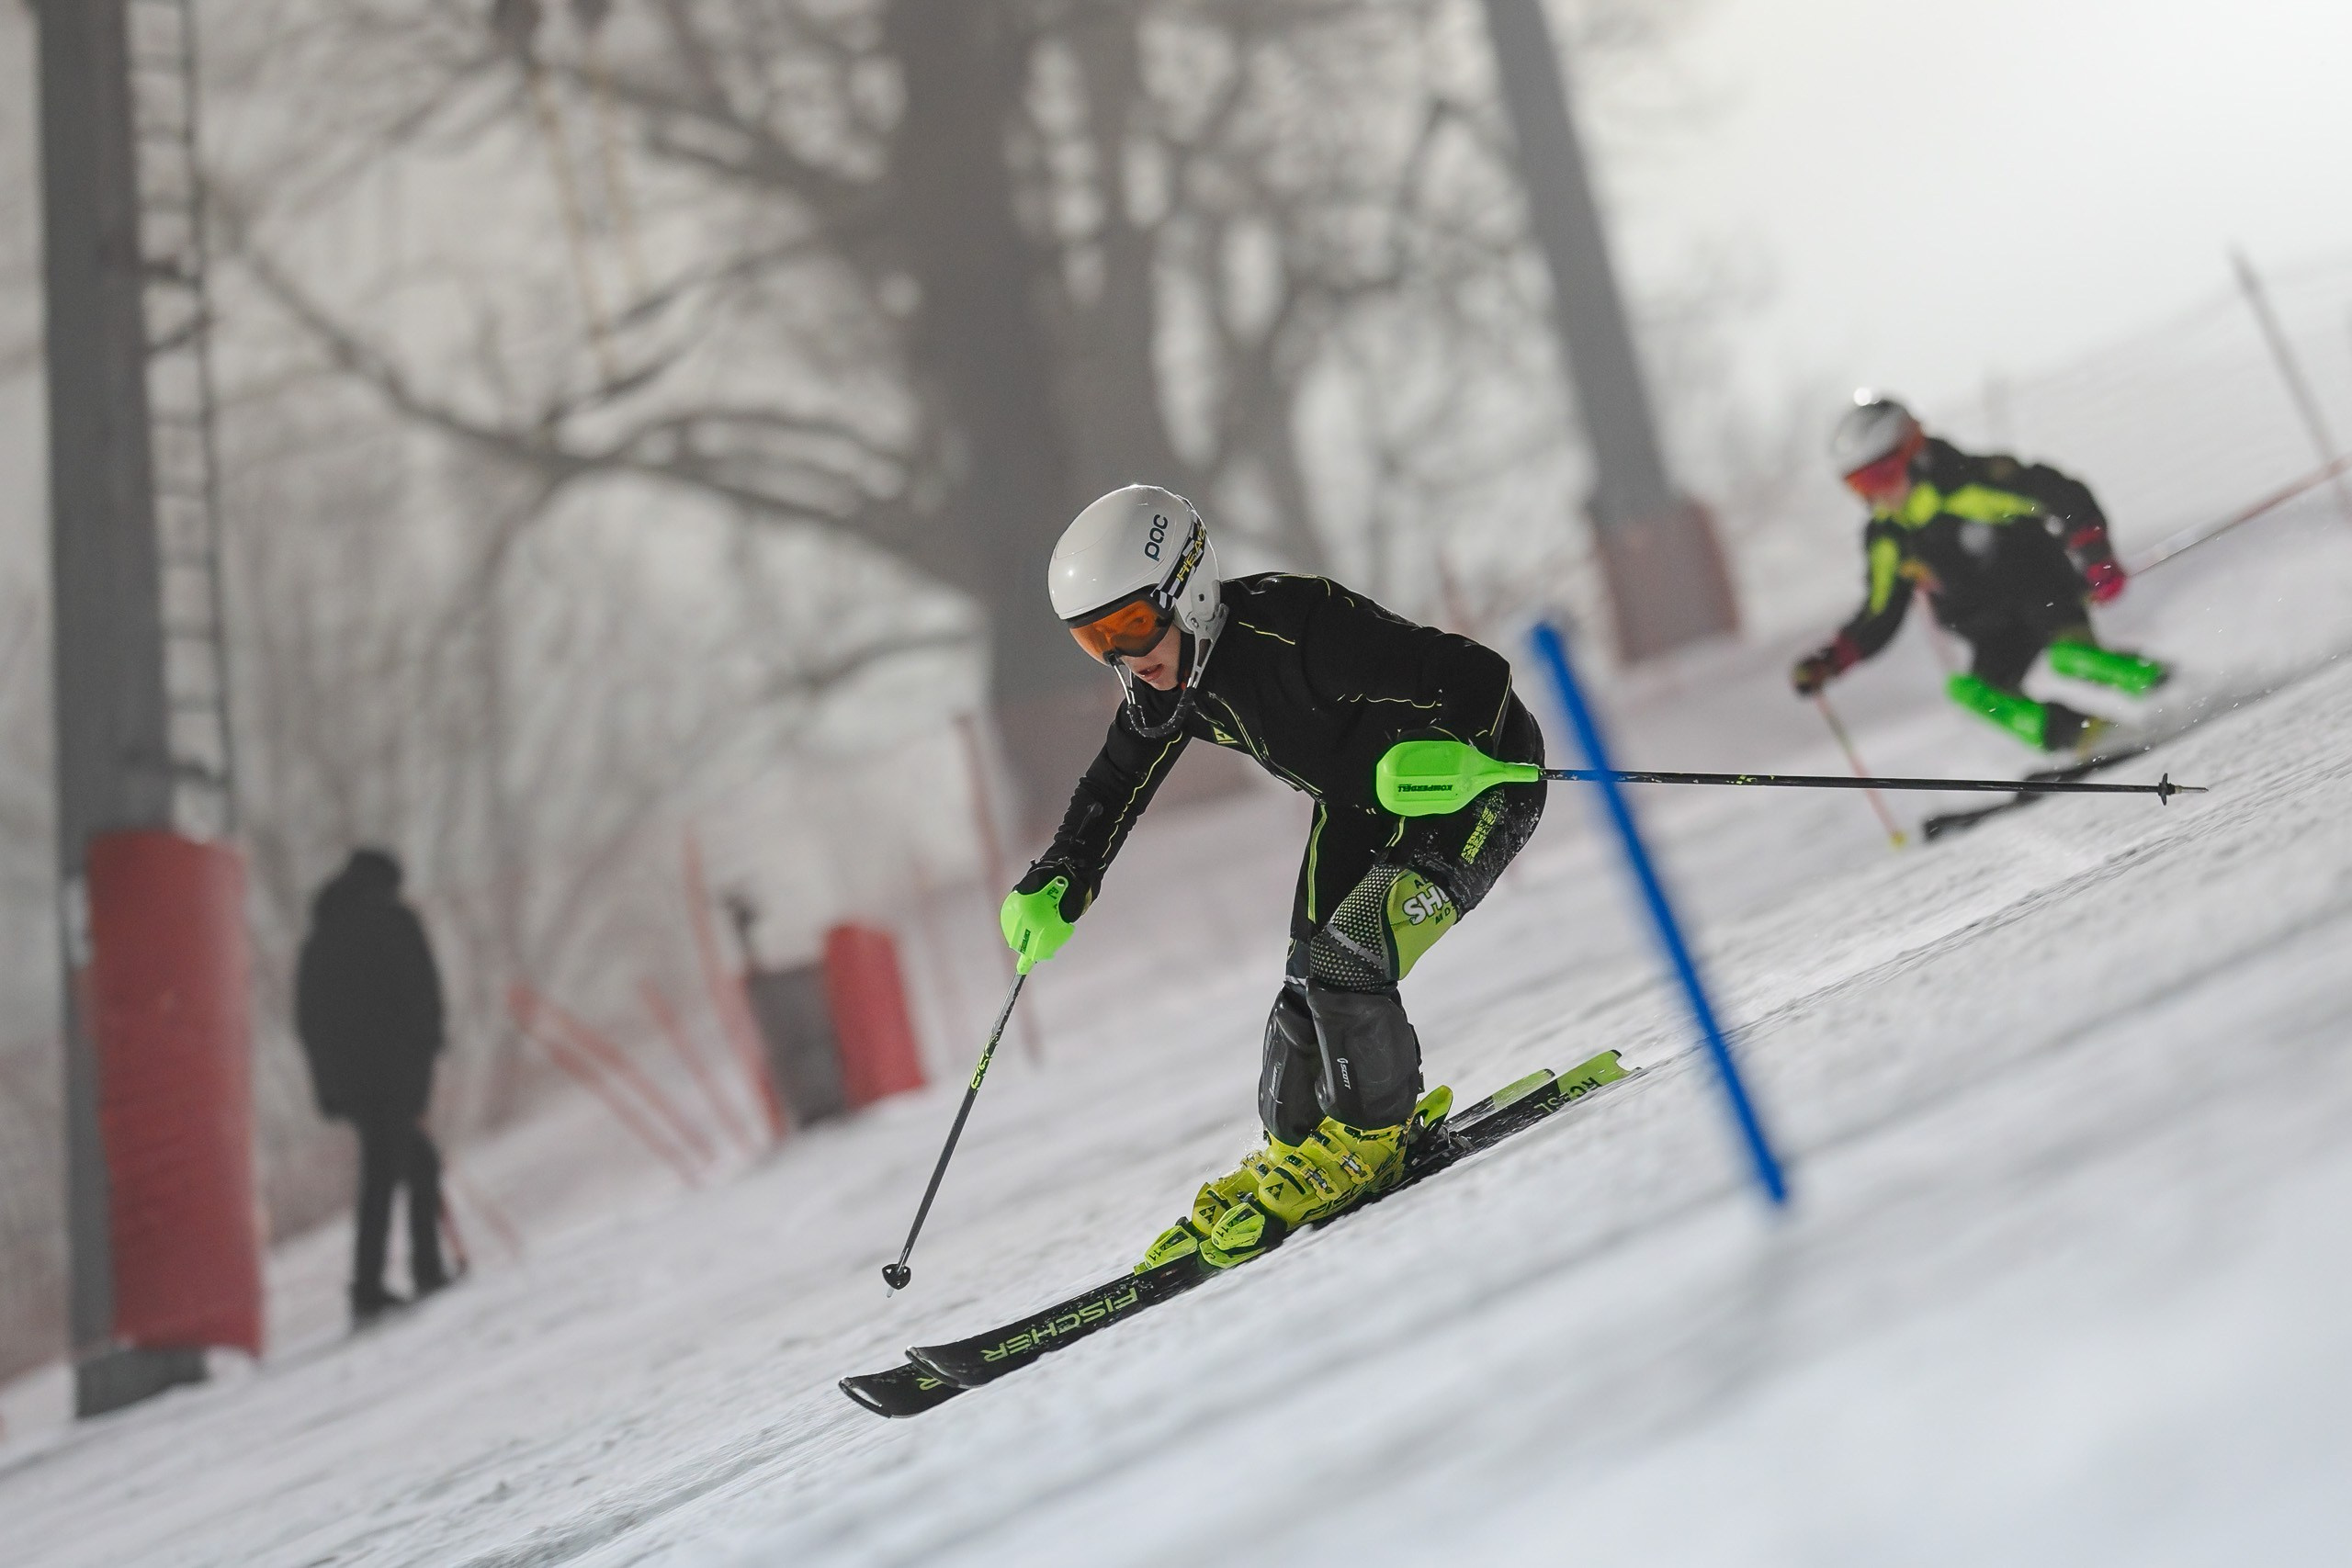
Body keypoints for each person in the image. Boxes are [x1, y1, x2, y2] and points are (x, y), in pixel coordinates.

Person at [999, 485, 1546, 1273]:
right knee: (1304, 990)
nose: (1123, 657)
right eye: (1096, 642)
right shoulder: (1174, 682)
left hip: (1476, 787)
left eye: (1130, 626)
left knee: (1346, 963)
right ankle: (1301, 1150)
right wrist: (1061, 876)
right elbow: (1114, 783)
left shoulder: (1298, 629)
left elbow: (1475, 673)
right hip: (1364, 808)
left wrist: (1462, 755)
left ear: (1183, 588)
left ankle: (1369, 1139)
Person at [1792, 392, 2168, 750]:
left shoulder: (1968, 485)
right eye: (1860, 485)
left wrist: (2094, 552)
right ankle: (2087, 737)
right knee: (1973, 692)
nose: (1877, 495)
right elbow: (1881, 612)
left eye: (1881, 476)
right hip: (1989, 630)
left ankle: (2168, 687)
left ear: (1912, 451)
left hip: (2044, 597)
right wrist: (1833, 659)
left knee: (2071, 659)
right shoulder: (1889, 537)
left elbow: (2059, 493)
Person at [295, 849, 453, 1322]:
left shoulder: (320, 938)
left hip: (355, 1084)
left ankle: (381, 1282)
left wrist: (331, 1086)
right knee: (404, 1169)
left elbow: (309, 1020)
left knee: (394, 1169)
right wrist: (423, 1065)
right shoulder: (393, 921)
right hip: (397, 1074)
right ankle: (405, 1276)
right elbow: (421, 998)